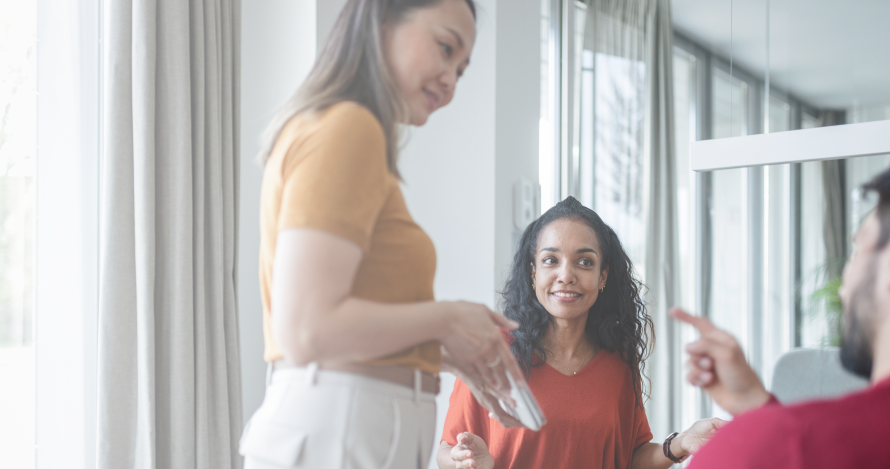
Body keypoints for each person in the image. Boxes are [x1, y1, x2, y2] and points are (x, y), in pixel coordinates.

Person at [240, 1, 526, 468]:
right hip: (340, 430)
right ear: (383, 19)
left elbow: (335, 329)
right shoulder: (347, 128)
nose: (451, 80)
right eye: (445, 48)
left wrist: (449, 355)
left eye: (462, 69)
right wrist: (446, 319)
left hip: (348, 428)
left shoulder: (344, 130)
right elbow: (307, 328)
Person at [671, 143, 890, 468]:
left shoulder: (773, 449)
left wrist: (769, 436)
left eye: (858, 250)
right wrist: (761, 413)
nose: (843, 287)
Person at [438, 197, 726, 469]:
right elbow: (447, 450)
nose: (566, 275)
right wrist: (460, 459)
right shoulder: (488, 352)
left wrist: (681, 442)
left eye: (584, 262)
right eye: (551, 260)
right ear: (533, 272)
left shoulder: (619, 360)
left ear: (602, 277)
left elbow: (632, 456)